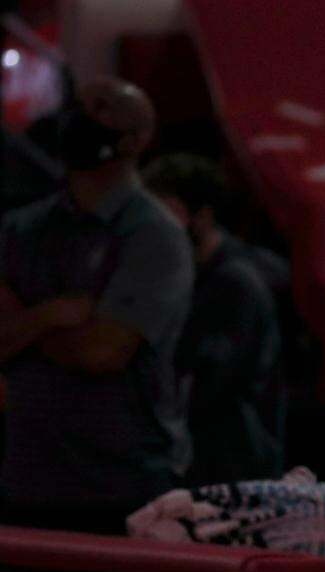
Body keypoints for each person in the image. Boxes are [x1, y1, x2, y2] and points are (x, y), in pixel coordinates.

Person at [0, 77, 193, 534]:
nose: (84, 117)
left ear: (137, 138)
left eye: (103, 108)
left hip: (122, 487)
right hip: (27, 481)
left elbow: (102, 352)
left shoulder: (154, 235)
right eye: (82, 105)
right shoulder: (20, 229)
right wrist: (52, 314)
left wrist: (21, 326)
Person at [142, 154, 285, 485]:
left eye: (166, 214)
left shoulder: (236, 285)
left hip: (231, 475)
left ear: (202, 218)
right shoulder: (176, 277)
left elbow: (210, 387)